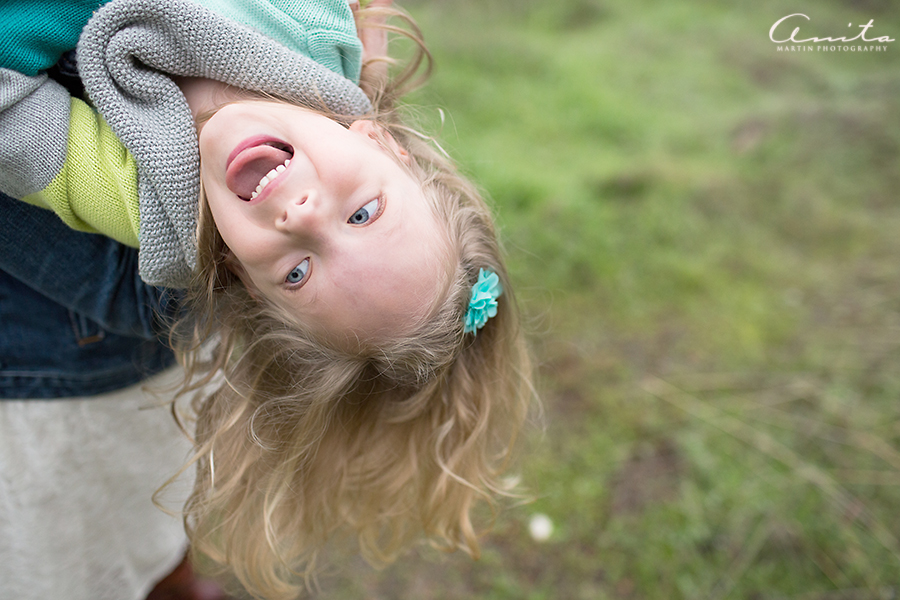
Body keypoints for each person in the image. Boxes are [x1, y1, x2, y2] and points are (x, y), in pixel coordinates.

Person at [0, 1, 534, 598]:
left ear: (242, 279)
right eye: (363, 214)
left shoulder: (138, 199)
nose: (304, 217)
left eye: (299, 272)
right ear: (383, 145)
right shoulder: (319, 32)